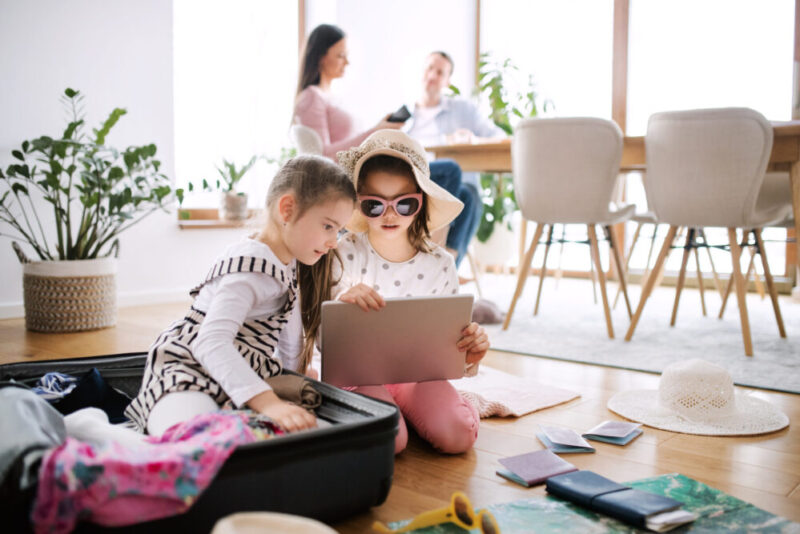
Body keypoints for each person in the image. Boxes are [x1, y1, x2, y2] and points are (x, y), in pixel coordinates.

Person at [125, 156, 357, 436]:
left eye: (339, 230)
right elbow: (210, 342)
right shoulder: (252, 267)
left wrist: (296, 377)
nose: (333, 242)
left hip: (235, 378)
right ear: (287, 210)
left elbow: (290, 339)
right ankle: (103, 432)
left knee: (309, 432)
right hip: (188, 371)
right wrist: (269, 403)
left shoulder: (287, 261)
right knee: (193, 437)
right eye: (328, 226)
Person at [333, 130, 491, 454]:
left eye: (404, 203)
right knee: (390, 440)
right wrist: (340, 304)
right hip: (359, 376)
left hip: (418, 378)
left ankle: (423, 409)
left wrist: (469, 353)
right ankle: (388, 413)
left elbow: (449, 351)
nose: (390, 214)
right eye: (374, 205)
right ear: (359, 204)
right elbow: (321, 341)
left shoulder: (441, 264)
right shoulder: (342, 254)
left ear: (421, 202)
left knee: (458, 435)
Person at [405, 51, 507, 267]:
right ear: (422, 71)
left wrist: (474, 139)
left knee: (468, 195)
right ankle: (441, 258)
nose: (433, 75)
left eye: (440, 72)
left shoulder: (464, 110)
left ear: (448, 81)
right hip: (415, 181)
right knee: (451, 169)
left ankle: (446, 263)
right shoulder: (404, 116)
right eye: (430, 68)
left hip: (448, 186)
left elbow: (498, 136)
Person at [293, 23, 403, 159]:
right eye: (341, 56)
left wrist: (378, 130)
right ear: (321, 57)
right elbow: (323, 156)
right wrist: (375, 133)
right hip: (338, 171)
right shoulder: (311, 97)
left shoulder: (331, 96)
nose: (347, 62)